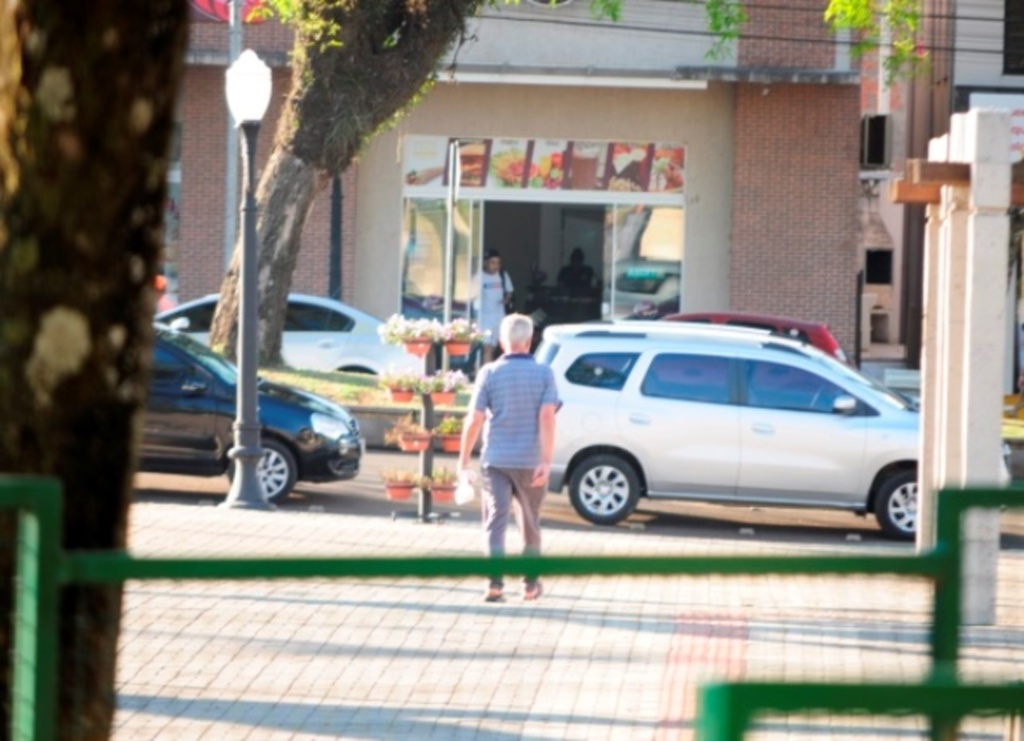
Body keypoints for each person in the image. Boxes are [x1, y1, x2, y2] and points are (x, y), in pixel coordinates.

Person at [457, 313, 560, 603]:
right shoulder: (544, 373)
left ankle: (494, 584)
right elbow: (547, 417)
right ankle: (529, 585)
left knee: (494, 522)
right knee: (530, 523)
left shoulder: (488, 373)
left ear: (503, 342)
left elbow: (474, 419)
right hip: (530, 461)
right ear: (530, 341)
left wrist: (463, 460)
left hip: (496, 460)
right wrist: (546, 460)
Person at [474, 250, 514, 364]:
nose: (496, 266)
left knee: (496, 347)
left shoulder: (502, 275)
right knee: (487, 347)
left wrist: (507, 299)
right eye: (493, 262)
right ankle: (485, 373)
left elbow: (509, 291)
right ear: (485, 263)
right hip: (484, 318)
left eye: (498, 263)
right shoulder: (479, 277)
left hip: (499, 316)